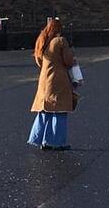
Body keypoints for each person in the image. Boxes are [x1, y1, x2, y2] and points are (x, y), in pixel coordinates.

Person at [28, 18, 77, 150]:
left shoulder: (42, 41)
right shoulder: (60, 41)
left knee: (45, 110)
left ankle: (41, 139)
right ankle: (57, 142)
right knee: (60, 110)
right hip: (58, 79)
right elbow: (68, 61)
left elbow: (39, 61)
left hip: (44, 79)